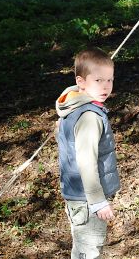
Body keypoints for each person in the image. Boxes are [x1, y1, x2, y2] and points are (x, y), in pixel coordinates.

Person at [55, 47, 121, 259]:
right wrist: (97, 201)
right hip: (86, 199)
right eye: (98, 80)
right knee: (89, 250)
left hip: (78, 196)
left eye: (109, 80)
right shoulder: (89, 117)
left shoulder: (73, 105)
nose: (106, 86)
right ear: (81, 82)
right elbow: (85, 162)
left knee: (83, 248)